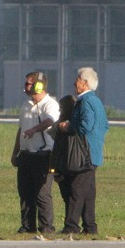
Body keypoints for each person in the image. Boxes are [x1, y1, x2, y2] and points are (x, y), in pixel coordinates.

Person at [57, 66, 109, 235]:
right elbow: (104, 125)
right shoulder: (96, 101)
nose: (75, 82)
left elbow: (86, 124)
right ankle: (90, 227)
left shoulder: (86, 101)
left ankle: (71, 226)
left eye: (78, 79)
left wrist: (69, 126)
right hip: (94, 152)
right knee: (88, 192)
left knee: (76, 188)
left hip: (84, 153)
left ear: (85, 83)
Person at [11, 70, 60, 234]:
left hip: (43, 155)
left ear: (39, 86)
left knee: (42, 193)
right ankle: (27, 226)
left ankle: (46, 226)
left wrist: (34, 130)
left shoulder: (50, 104)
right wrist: (15, 152)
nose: (25, 86)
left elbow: (49, 121)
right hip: (25, 155)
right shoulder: (26, 105)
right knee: (25, 192)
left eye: (28, 83)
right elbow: (20, 129)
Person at [49, 93, 78, 227]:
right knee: (70, 196)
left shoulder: (66, 126)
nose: (60, 111)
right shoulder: (71, 123)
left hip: (65, 163)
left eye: (61, 108)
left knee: (68, 196)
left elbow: (53, 136)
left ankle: (71, 224)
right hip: (67, 163)